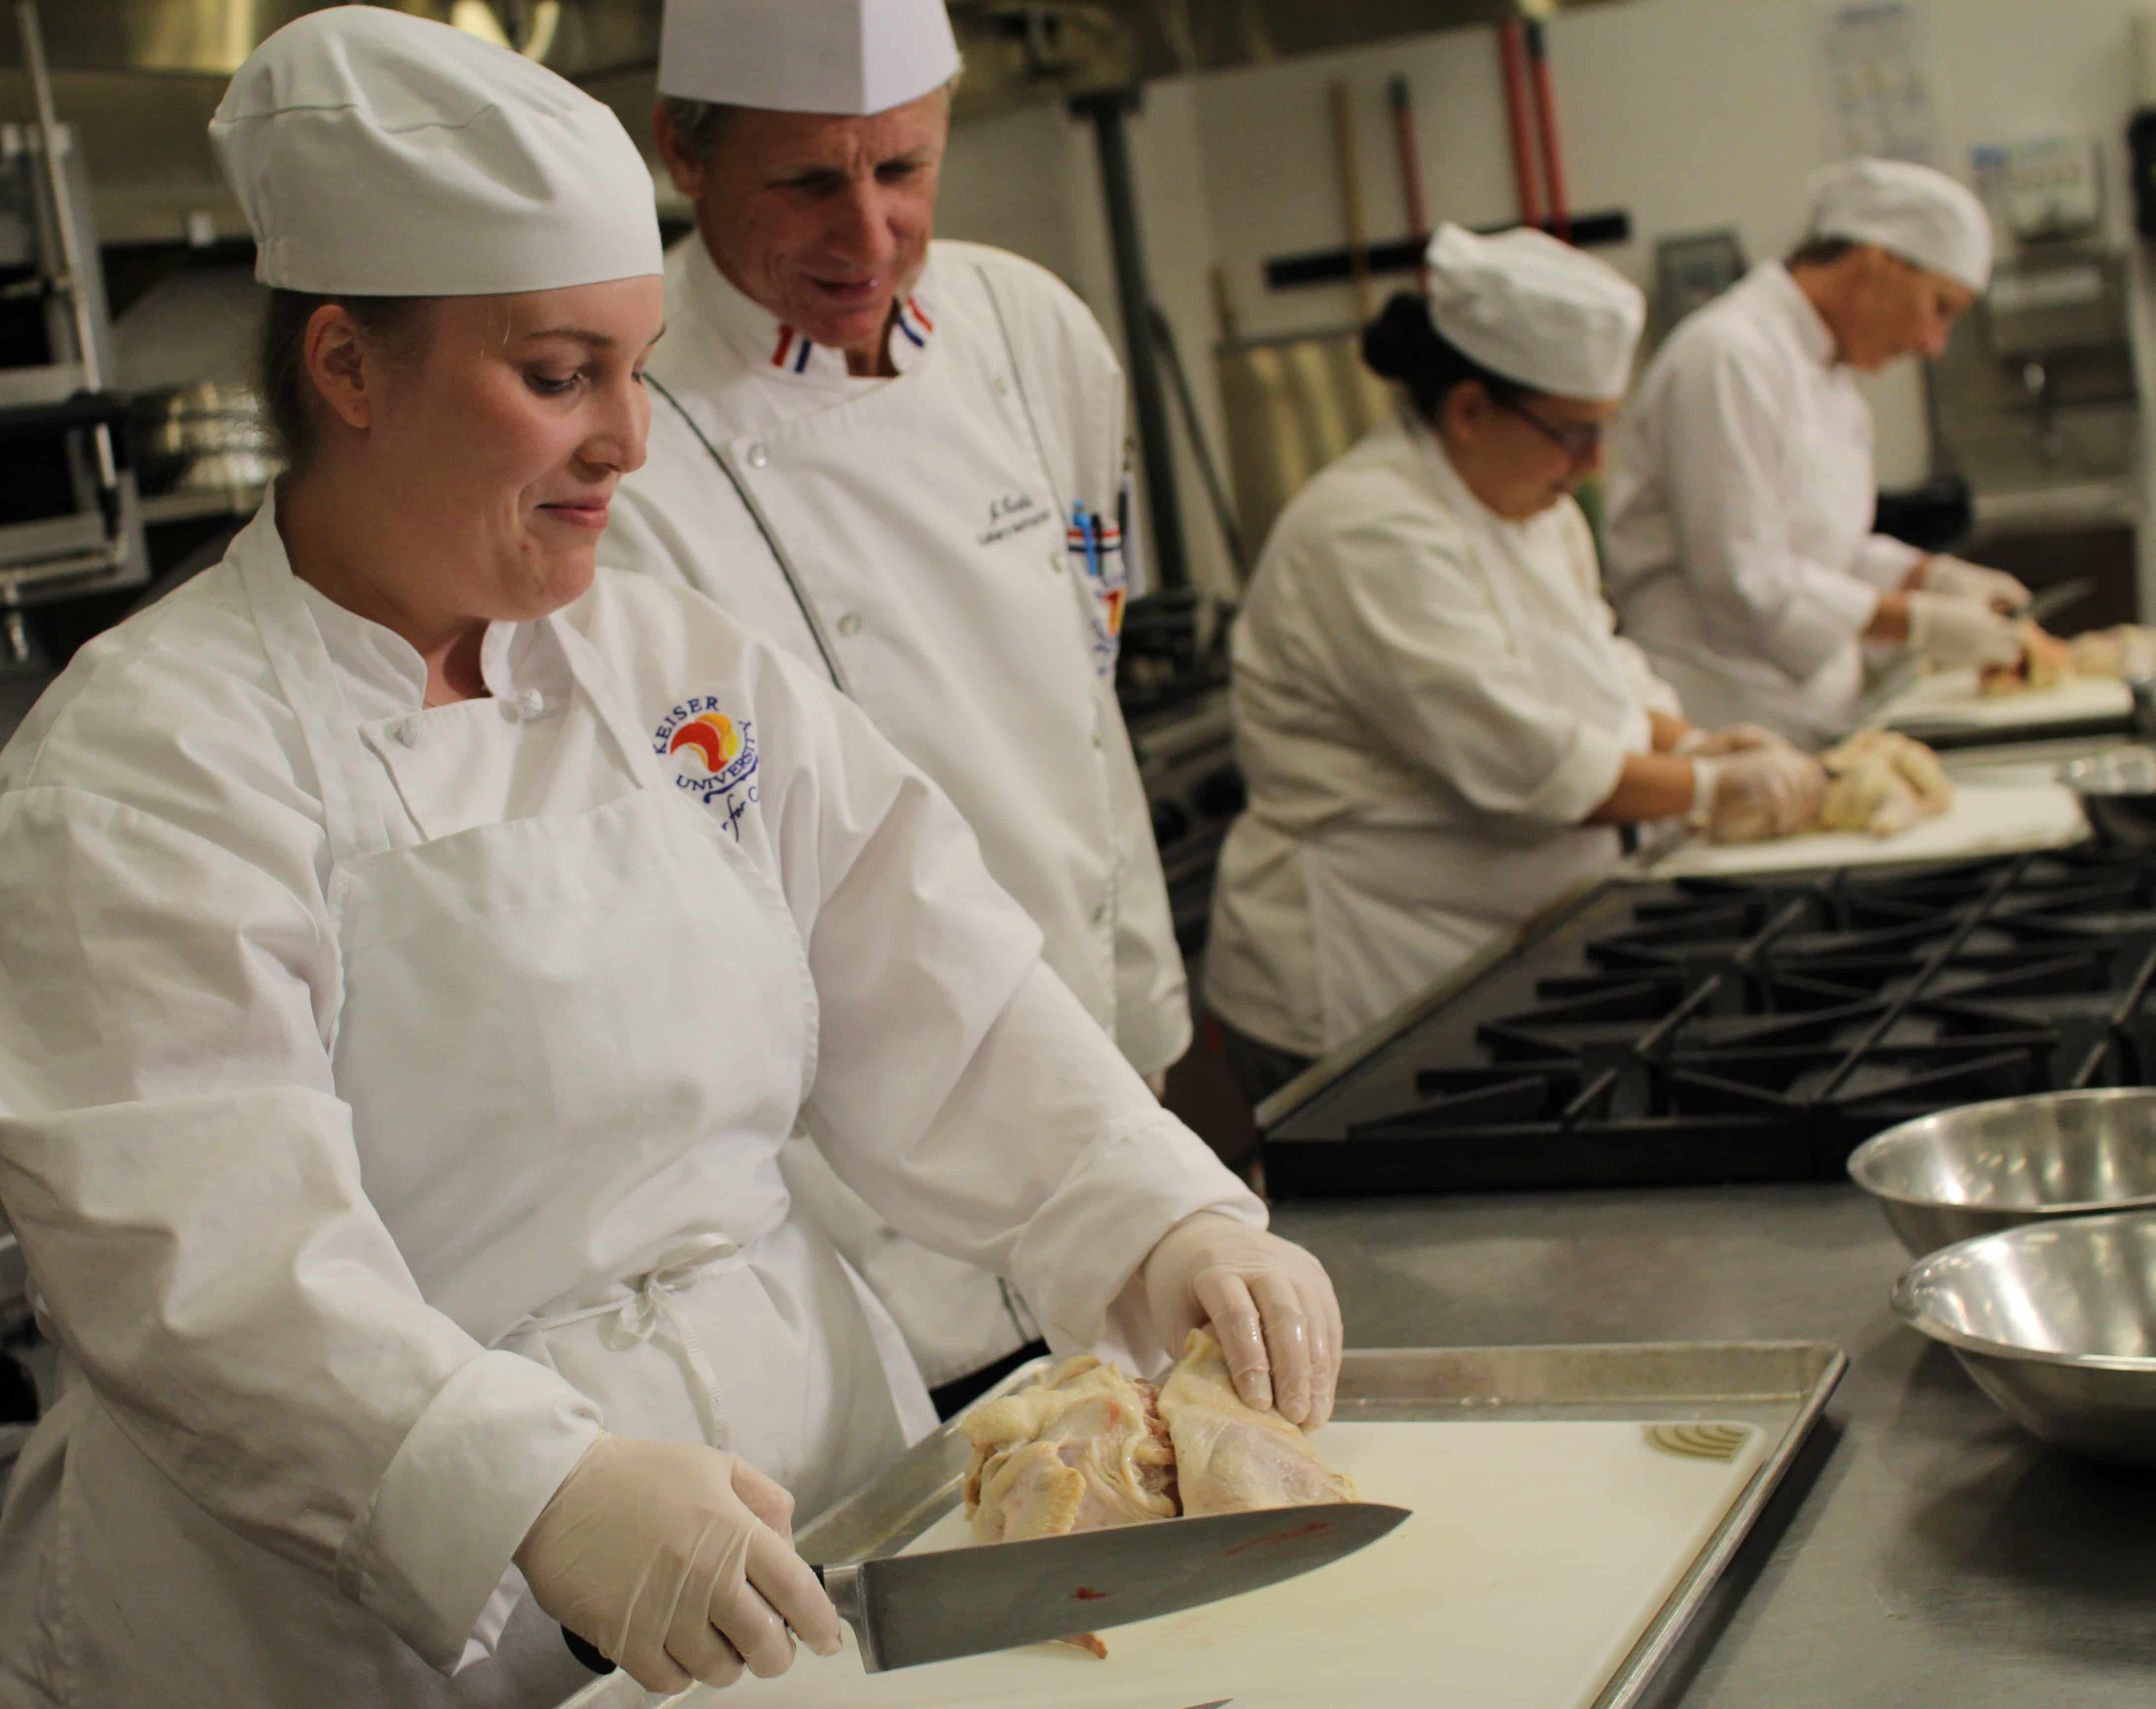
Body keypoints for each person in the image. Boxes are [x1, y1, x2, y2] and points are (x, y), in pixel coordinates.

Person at [0, 11, 1340, 1708]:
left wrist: (1148, 1210)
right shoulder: (143, 773)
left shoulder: (671, 665)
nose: (628, 440)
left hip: (799, 1531)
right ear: (348, 369)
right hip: (357, 1630)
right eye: (557, 377)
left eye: (633, 365)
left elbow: (931, 986)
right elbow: (209, 1270)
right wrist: (523, 1483)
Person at [598, 0, 1187, 1409]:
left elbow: (1091, 710)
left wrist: (1154, 1076)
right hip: (853, 1205)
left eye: (904, 171)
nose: (866, 237)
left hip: (1105, 1087)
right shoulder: (627, 425)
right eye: (806, 181)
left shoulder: (1029, 330)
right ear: (684, 151)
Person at [1202, 225, 1827, 1100]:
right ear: (1467, 410)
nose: (1594, 466)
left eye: (1603, 432)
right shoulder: (1368, 529)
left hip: (1490, 949)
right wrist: (1708, 793)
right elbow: (1521, 758)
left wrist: (1692, 745)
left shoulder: (1536, 508)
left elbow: (1596, 673)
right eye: (1573, 435)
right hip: (1360, 971)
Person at [1606, 156, 2031, 745]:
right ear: (1878, 264)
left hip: (1806, 715)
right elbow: (1742, 577)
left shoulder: (1830, 377)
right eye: (1940, 308)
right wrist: (1919, 622)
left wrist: (1929, 577)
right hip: (1718, 715)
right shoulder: (1729, 357)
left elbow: (1826, 553)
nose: (1934, 345)